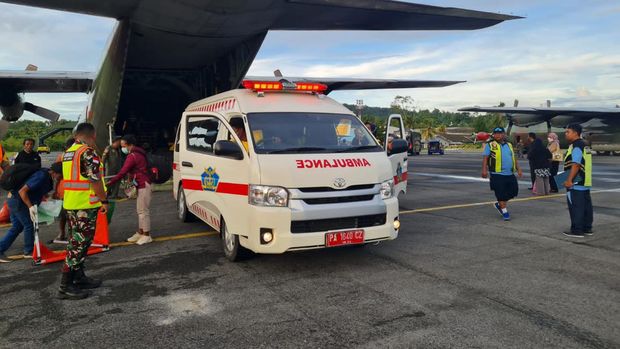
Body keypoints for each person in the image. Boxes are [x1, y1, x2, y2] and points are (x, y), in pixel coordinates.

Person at [58, 123, 109, 300]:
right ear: (92, 136)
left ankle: (79, 278)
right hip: (84, 206)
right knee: (78, 245)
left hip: (72, 204)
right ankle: (65, 286)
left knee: (78, 243)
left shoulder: (69, 152)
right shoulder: (87, 152)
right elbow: (94, 179)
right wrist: (104, 200)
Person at [0, 163, 63, 263]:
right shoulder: (42, 176)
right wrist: (30, 207)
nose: (60, 178)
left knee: (17, 227)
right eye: (60, 175)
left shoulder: (45, 176)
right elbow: (22, 191)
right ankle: (28, 251)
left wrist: (46, 197)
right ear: (54, 173)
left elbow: (37, 190)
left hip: (14, 200)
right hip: (19, 202)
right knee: (29, 225)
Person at [107, 134, 153, 245]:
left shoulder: (132, 156)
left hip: (143, 185)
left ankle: (146, 235)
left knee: (143, 211)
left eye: (124, 145)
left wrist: (111, 182)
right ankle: (140, 232)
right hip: (142, 184)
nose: (123, 148)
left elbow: (123, 171)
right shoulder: (139, 153)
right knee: (140, 210)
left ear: (130, 144)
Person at [481, 127, 523, 221]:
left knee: (514, 192)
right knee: (501, 194)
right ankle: (504, 211)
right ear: (493, 135)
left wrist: (518, 168)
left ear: (504, 134)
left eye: (500, 133)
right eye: (496, 133)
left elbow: (514, 157)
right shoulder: (490, 145)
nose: (498, 135)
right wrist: (484, 170)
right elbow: (485, 158)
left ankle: (499, 204)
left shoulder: (509, 145)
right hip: (497, 174)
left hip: (510, 173)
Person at [562, 123, 593, 238]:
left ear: (575, 133)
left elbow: (576, 164)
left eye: (567, 132)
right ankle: (587, 228)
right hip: (585, 181)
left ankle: (577, 230)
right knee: (586, 206)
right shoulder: (585, 145)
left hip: (576, 182)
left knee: (576, 206)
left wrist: (569, 180)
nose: (566, 134)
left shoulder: (576, 146)